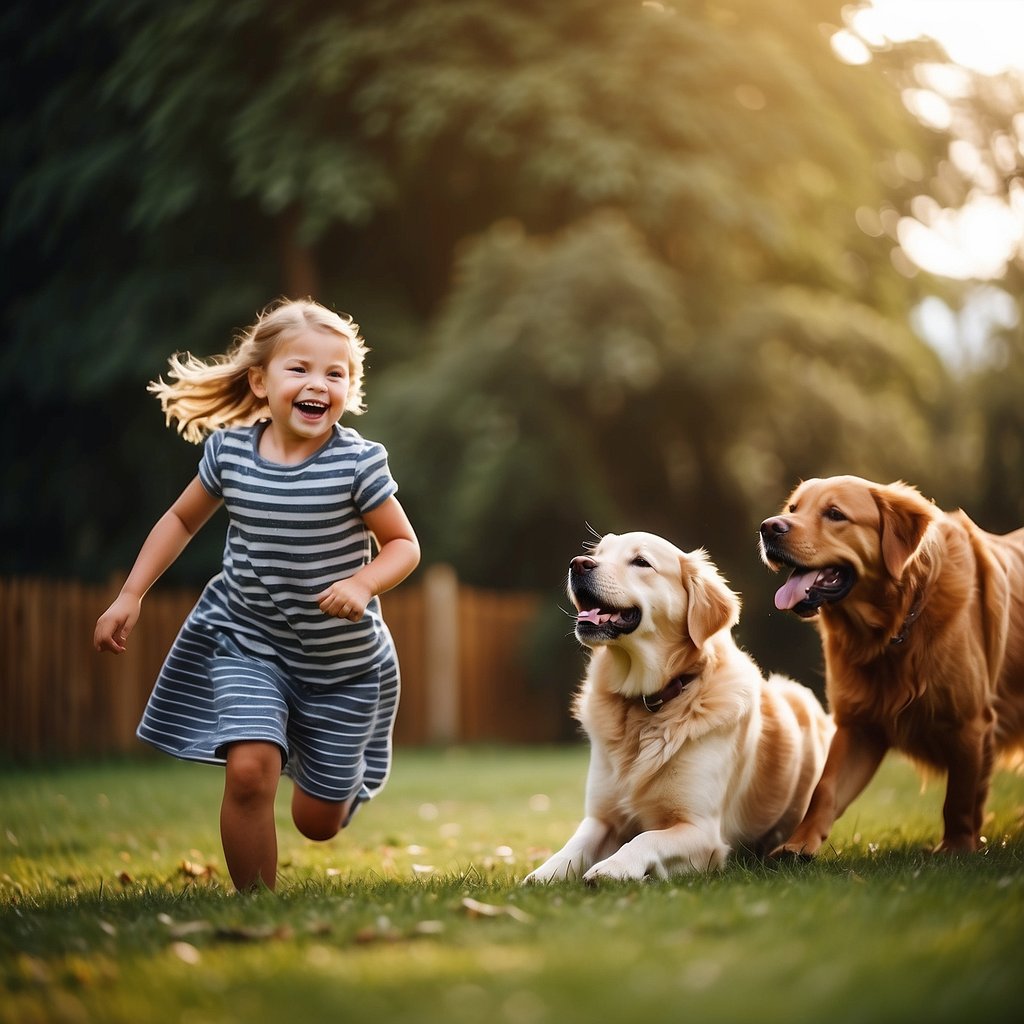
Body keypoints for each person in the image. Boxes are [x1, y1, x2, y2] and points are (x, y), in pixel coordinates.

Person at [94, 298, 420, 891]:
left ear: (349, 389)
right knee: (248, 771)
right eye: (299, 368)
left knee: (316, 823)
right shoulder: (230, 454)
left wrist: (362, 582)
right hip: (248, 642)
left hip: (341, 667)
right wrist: (131, 594)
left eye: (335, 373)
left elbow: (403, 544)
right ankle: (255, 904)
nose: (317, 384)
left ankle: (334, 787)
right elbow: (180, 520)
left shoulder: (357, 464)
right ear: (260, 381)